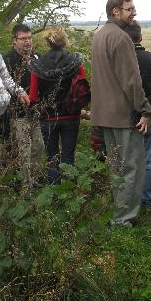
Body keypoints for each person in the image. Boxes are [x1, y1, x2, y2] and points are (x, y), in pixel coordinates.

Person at [90, 0, 151, 227]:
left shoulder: (99, 36)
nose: (133, 13)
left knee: (116, 168)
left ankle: (118, 211)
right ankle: (123, 219)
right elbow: (132, 81)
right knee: (130, 170)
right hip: (124, 117)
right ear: (116, 11)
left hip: (104, 115)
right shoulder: (121, 38)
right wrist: (145, 110)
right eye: (129, 9)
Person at [30, 28, 90, 184]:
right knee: (68, 157)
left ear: (47, 42)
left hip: (48, 117)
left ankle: (54, 198)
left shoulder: (37, 64)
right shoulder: (76, 62)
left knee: (52, 157)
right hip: (71, 115)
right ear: (64, 41)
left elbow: (33, 97)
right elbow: (82, 89)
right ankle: (68, 193)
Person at [122, 21, 151, 208]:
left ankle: (129, 199)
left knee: (126, 160)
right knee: (147, 159)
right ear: (140, 36)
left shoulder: (121, 58)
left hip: (125, 115)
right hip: (149, 113)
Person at [3, 24, 46, 187]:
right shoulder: (7, 59)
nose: (27, 42)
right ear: (15, 40)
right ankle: (25, 185)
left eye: (29, 38)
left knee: (39, 146)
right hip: (18, 112)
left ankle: (33, 179)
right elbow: (6, 84)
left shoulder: (37, 57)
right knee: (24, 149)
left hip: (36, 111)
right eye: (23, 39)